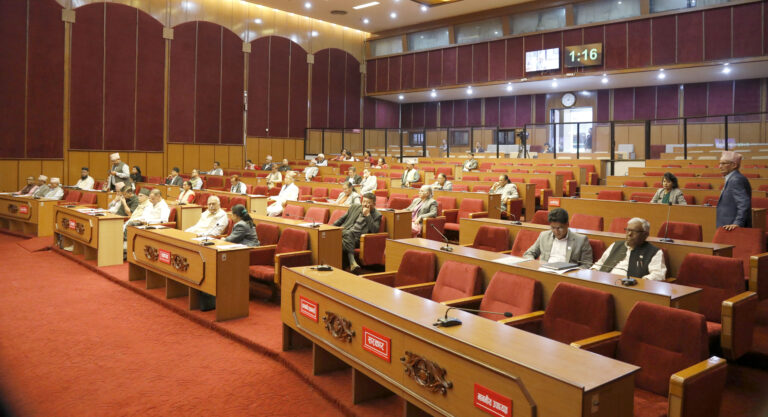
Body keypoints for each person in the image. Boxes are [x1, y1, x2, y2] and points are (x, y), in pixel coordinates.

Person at [592, 218, 667, 281]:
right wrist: (593, 271)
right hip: (604, 280)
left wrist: (641, 282)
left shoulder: (654, 252)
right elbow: (600, 263)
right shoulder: (616, 245)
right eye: (628, 230)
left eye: (634, 231)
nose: (629, 234)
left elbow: (658, 274)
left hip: (629, 286)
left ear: (645, 235)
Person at [523, 208, 593, 267]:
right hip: (544, 271)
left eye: (559, 228)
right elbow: (529, 253)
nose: (556, 231)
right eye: (553, 228)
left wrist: (573, 273)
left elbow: (587, 264)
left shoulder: (581, 240)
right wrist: (535, 264)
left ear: (567, 224)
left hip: (566, 274)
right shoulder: (544, 236)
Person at [333, 193, 381, 274]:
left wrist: (368, 215)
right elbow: (341, 220)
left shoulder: (377, 215)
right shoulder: (354, 207)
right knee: (348, 233)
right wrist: (329, 229)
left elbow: (374, 231)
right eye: (364, 201)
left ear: (374, 204)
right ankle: (352, 262)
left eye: (368, 202)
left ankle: (338, 267)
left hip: (358, 239)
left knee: (338, 242)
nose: (365, 204)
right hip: (345, 233)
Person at [717, 151, 752, 230]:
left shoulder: (736, 179)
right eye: (720, 163)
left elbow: (743, 204)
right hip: (727, 225)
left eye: (723, 163)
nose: (720, 166)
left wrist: (737, 223)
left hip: (732, 227)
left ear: (734, 165)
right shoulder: (732, 178)